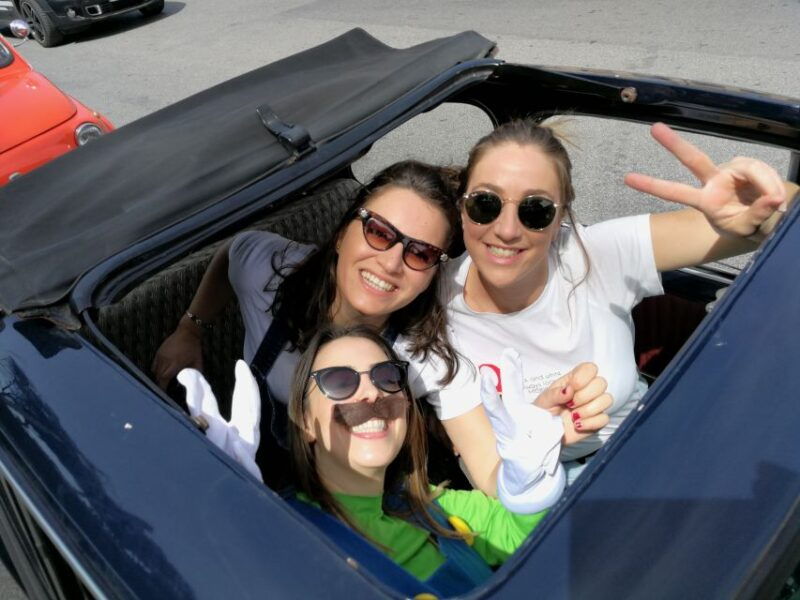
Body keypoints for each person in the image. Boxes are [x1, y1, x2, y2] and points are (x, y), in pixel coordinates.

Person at [152, 159, 610, 488]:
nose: (391, 262)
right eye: (379, 232)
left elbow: (492, 473)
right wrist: (190, 329)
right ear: (342, 232)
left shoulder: (424, 355)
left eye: (420, 252)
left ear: (432, 274)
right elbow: (231, 253)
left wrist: (530, 454)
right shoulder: (272, 275)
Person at [408, 119, 799, 487]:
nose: (507, 230)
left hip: (648, 446)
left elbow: (770, 222)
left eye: (536, 211)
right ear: (462, 208)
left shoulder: (594, 254)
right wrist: (535, 440)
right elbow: (494, 481)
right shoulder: (432, 308)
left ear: (561, 217)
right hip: (540, 489)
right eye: (485, 204)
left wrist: (764, 211)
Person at [179, 325, 568, 596]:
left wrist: (532, 487)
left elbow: (530, 538)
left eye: (386, 376)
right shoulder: (290, 534)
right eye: (339, 381)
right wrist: (238, 522)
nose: (370, 394)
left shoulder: (436, 508)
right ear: (305, 422)